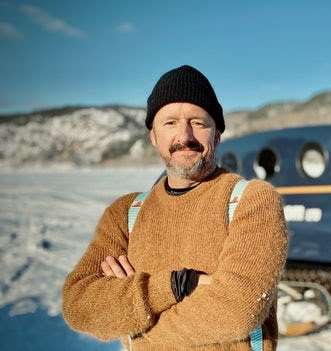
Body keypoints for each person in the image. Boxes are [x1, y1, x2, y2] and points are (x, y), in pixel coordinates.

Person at [62, 65, 289, 351]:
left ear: (216, 135)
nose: (185, 136)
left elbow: (236, 310)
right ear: (153, 137)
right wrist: (173, 286)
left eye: (198, 122)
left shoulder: (251, 200)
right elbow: (79, 307)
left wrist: (138, 333)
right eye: (170, 123)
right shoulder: (125, 214)